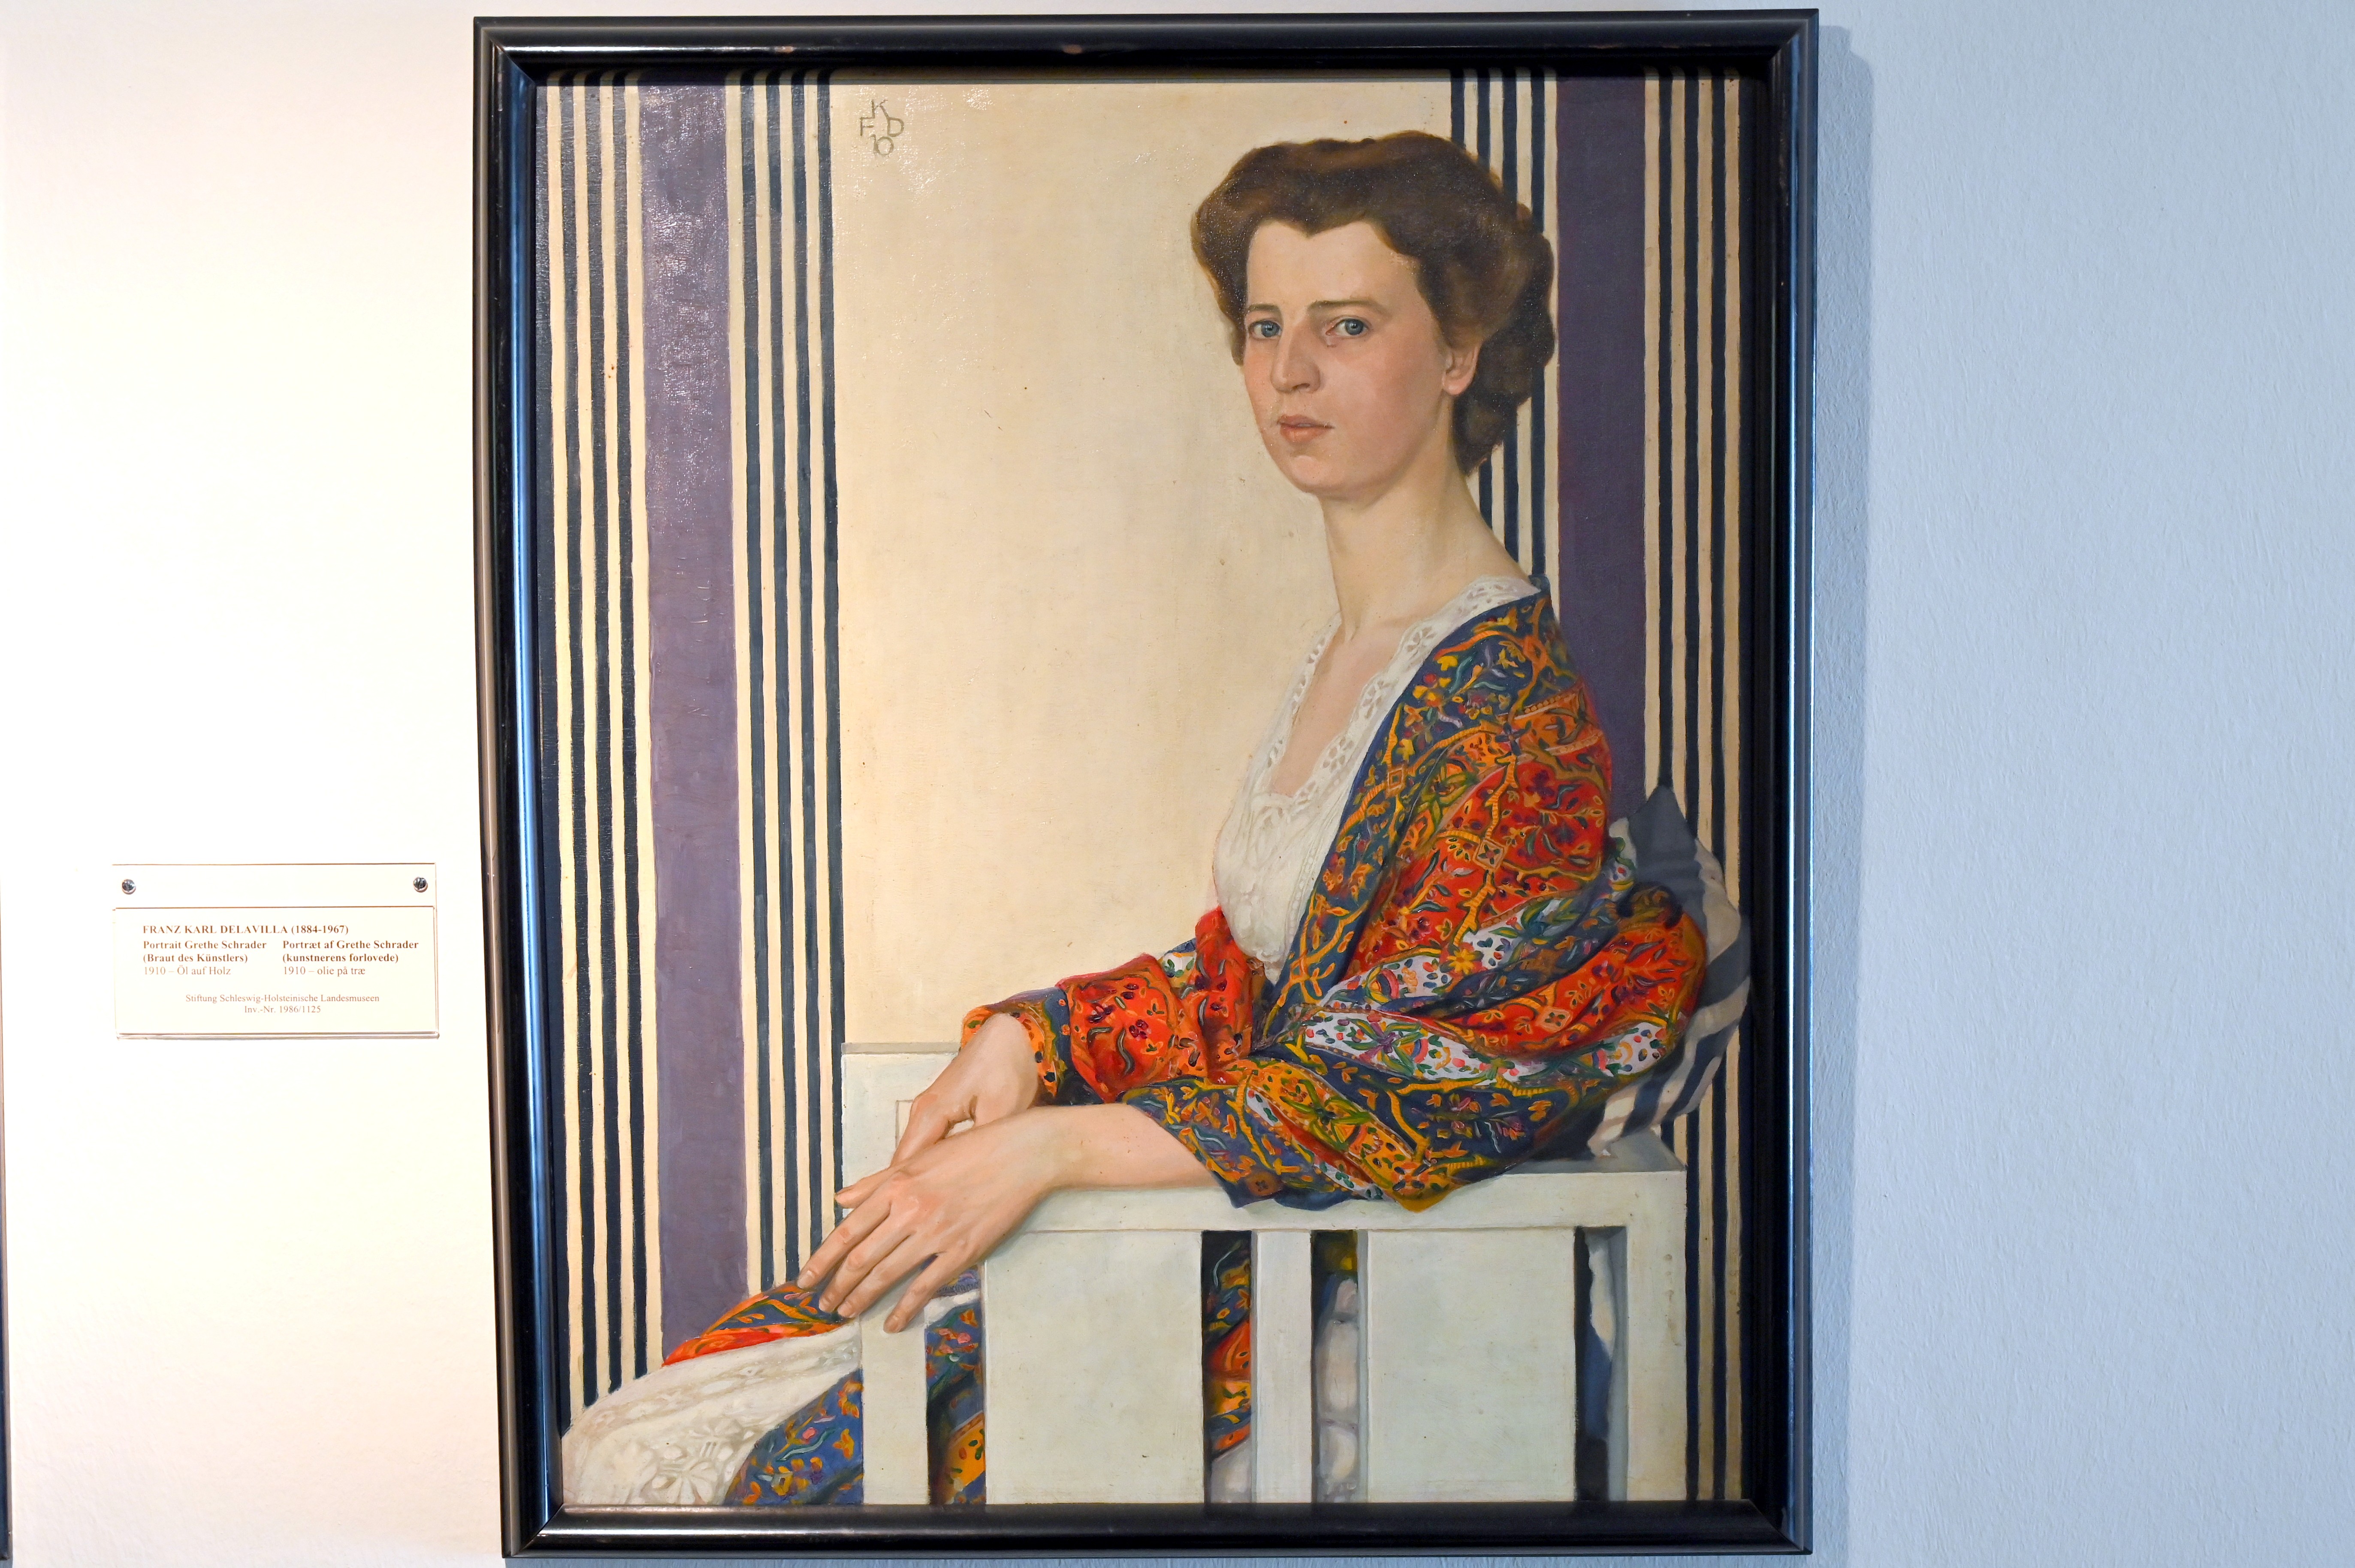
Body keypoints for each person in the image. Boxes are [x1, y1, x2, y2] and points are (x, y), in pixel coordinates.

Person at [563, 128, 1709, 1508]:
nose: (1289, 373)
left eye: (1346, 326)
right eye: (1264, 327)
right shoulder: (1371, 651)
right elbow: (1263, 985)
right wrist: (1037, 1035)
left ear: (1460, 350)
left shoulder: (1505, 705)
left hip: (1367, 1309)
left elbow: (1405, 1078)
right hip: (1250, 1239)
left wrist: (1049, 1146)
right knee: (637, 1444)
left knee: (673, 1478)